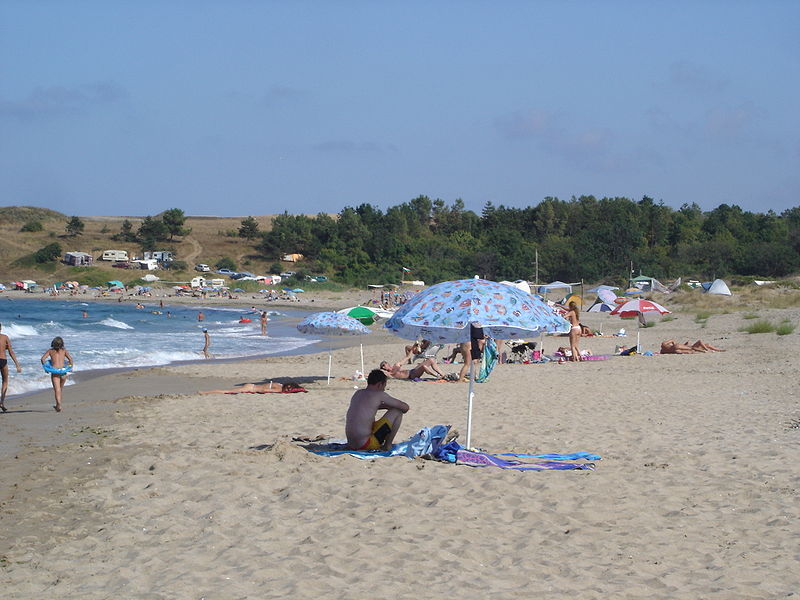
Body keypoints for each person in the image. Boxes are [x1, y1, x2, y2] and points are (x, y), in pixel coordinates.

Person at [345, 369, 409, 451]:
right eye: (384, 386)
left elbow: (367, 407)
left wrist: (385, 406)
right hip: (366, 444)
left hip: (351, 444)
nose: (384, 389)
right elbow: (405, 408)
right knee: (397, 411)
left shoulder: (358, 393)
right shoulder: (379, 394)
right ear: (380, 384)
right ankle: (387, 446)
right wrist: (390, 406)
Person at [41, 336, 73, 413]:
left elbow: (42, 359)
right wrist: (70, 367)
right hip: (63, 372)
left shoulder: (50, 351)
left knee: (57, 390)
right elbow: (70, 359)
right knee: (60, 389)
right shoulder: (64, 350)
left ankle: (58, 405)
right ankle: (58, 404)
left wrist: (46, 369)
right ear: (62, 344)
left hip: (55, 372)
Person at [0, 323, 23, 412]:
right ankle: (1, 401)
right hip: (2, 360)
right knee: (5, 381)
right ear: (1, 328)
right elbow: (11, 352)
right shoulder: (5, 337)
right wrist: (17, 364)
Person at [379, 356, 447, 380]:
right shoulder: (389, 373)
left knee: (430, 360)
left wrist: (414, 347)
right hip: (411, 376)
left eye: (385, 364)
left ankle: (443, 374)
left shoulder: (396, 365)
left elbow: (407, 357)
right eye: (383, 366)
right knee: (423, 366)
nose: (385, 366)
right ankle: (437, 376)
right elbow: (375, 374)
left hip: (412, 371)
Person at [200, 381, 306, 394]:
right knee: (226, 391)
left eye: (289, 389)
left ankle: (205, 392)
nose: (287, 389)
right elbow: (264, 390)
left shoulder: (279, 384)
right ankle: (205, 392)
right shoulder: (279, 388)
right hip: (251, 388)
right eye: (288, 387)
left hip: (251, 386)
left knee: (227, 391)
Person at [660, 339, 725, 354]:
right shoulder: (663, 344)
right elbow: (672, 340)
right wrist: (674, 344)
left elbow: (679, 351)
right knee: (698, 342)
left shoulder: (664, 349)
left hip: (676, 349)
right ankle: (707, 351)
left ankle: (718, 350)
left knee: (691, 349)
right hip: (676, 347)